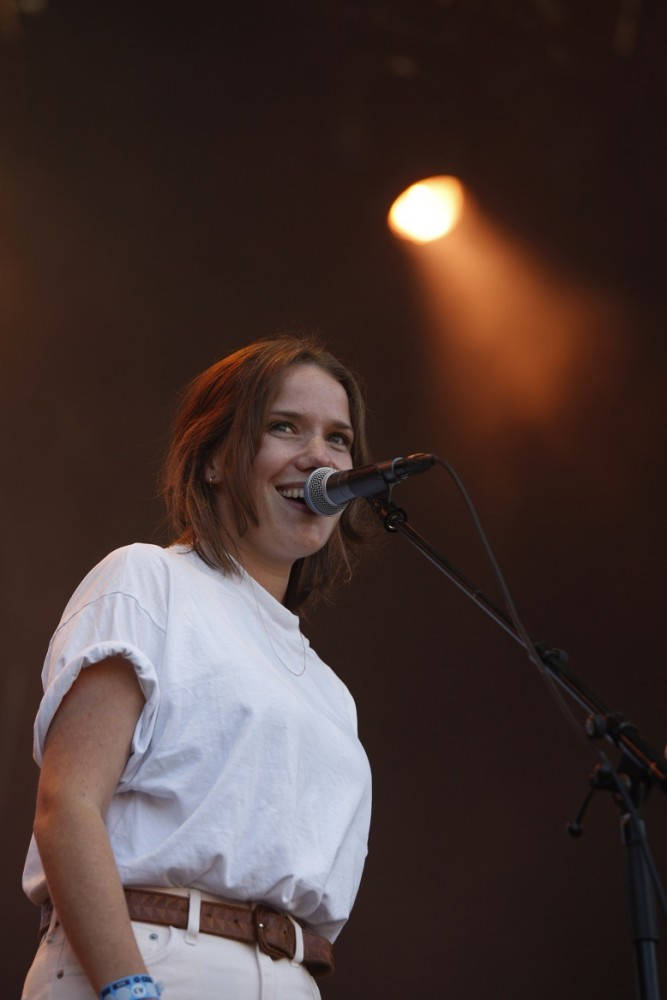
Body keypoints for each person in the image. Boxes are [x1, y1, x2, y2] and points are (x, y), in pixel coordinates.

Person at [21, 335, 373, 1000]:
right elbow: (67, 807)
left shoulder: (327, 687)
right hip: (152, 960)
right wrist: (128, 987)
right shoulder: (149, 579)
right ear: (213, 458)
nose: (318, 457)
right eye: (284, 427)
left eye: (338, 439)